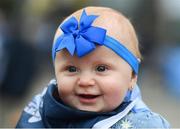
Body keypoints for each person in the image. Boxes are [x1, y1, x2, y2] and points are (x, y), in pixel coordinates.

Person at [16, 6, 170, 128]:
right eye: (71, 69)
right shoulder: (41, 109)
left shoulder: (143, 124)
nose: (85, 81)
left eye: (101, 69)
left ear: (132, 76)